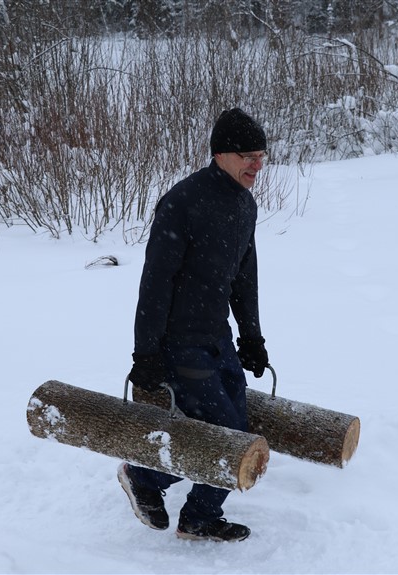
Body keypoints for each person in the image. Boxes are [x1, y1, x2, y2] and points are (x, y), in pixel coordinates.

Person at [121, 108, 271, 543]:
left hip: (217, 338)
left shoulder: (245, 204)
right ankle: (144, 477)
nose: (257, 165)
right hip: (179, 341)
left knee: (236, 428)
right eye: (248, 156)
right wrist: (146, 351)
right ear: (221, 154)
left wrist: (251, 336)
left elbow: (244, 277)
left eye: (262, 156)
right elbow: (155, 282)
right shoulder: (183, 202)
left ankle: (199, 517)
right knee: (227, 434)